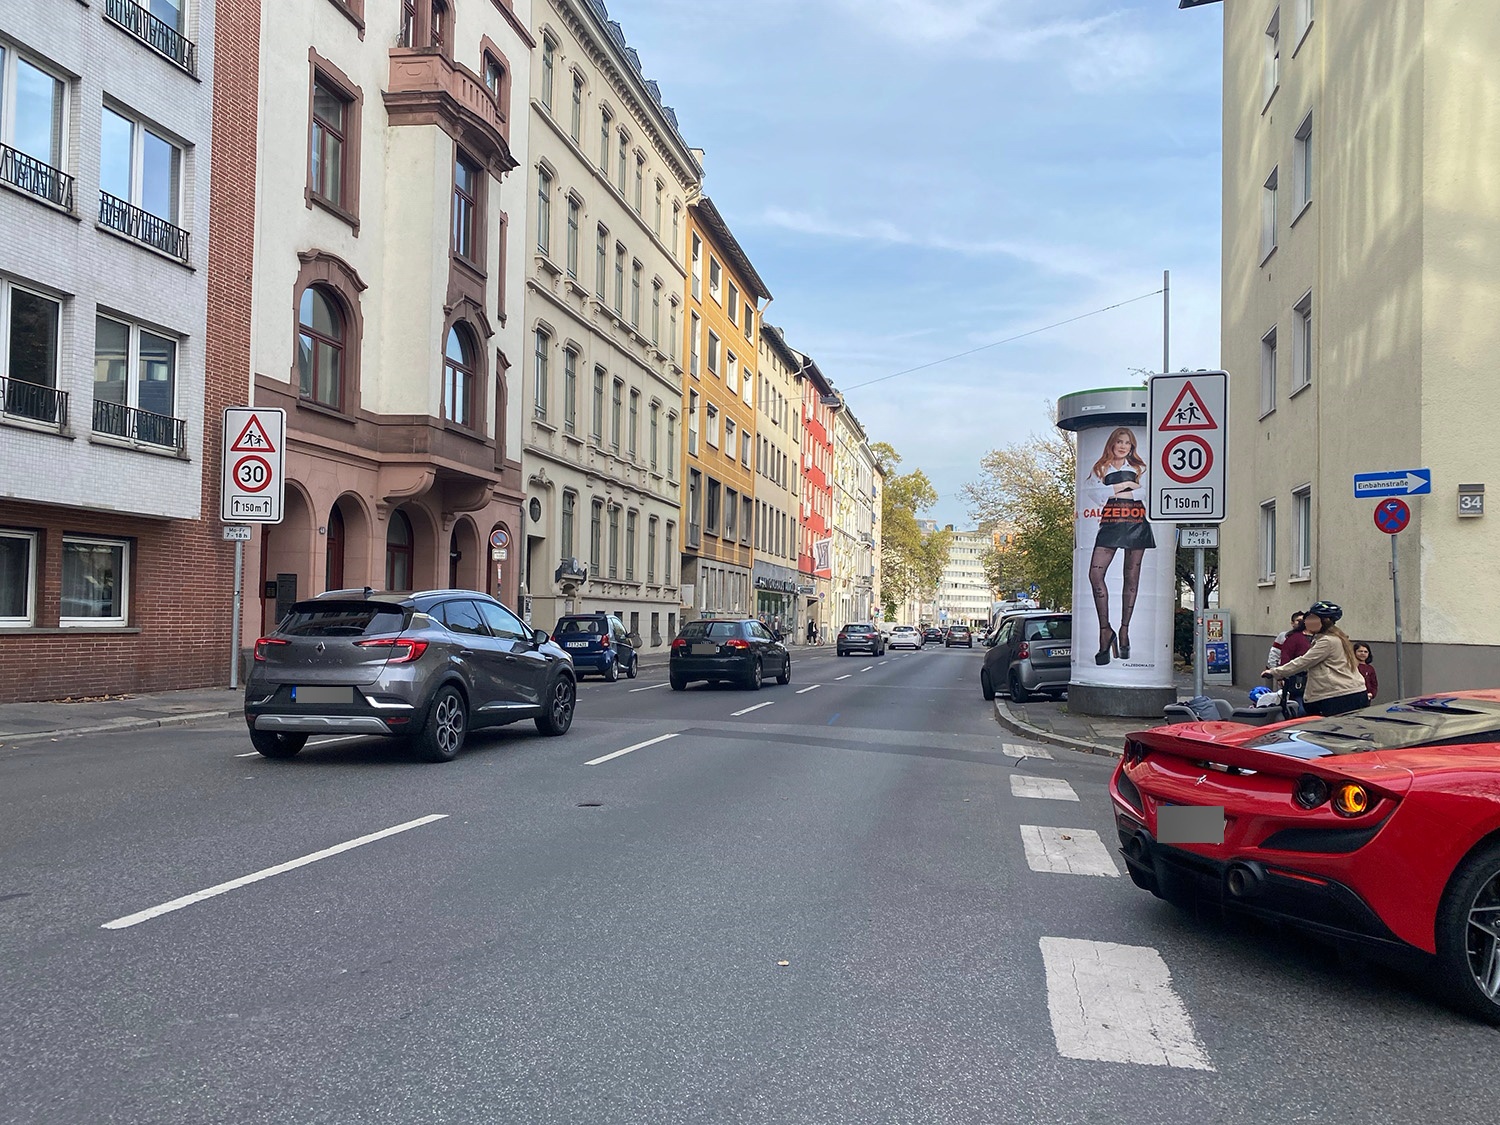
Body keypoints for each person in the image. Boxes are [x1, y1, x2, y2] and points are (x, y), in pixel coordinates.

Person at [1086, 426, 1153, 665]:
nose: (1123, 446)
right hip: (1111, 521)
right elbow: (1095, 494)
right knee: (1095, 574)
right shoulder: (1100, 468)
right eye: (1120, 442)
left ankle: (1124, 630)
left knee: (1131, 577)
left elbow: (1147, 493)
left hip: (1136, 521)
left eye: (1128, 443)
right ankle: (1105, 630)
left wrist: (1115, 491)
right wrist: (1128, 486)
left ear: (1132, 447)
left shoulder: (1140, 468)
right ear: (1112, 444)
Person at [1264, 601, 1369, 716]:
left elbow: (1304, 661)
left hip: (1338, 695)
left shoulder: (1327, 641)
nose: (1308, 622)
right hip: (1354, 691)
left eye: (1313, 619)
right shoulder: (1338, 637)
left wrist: (1275, 672)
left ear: (1325, 621)